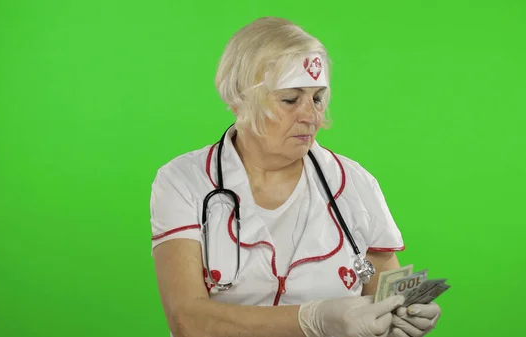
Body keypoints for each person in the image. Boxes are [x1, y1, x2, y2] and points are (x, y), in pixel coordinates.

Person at [150, 16, 442, 337]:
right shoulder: (184, 181)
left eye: (317, 98)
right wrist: (312, 319)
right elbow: (187, 320)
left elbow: (385, 293)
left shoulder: (355, 184)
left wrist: (404, 314)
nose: (310, 115)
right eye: (290, 99)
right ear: (239, 99)